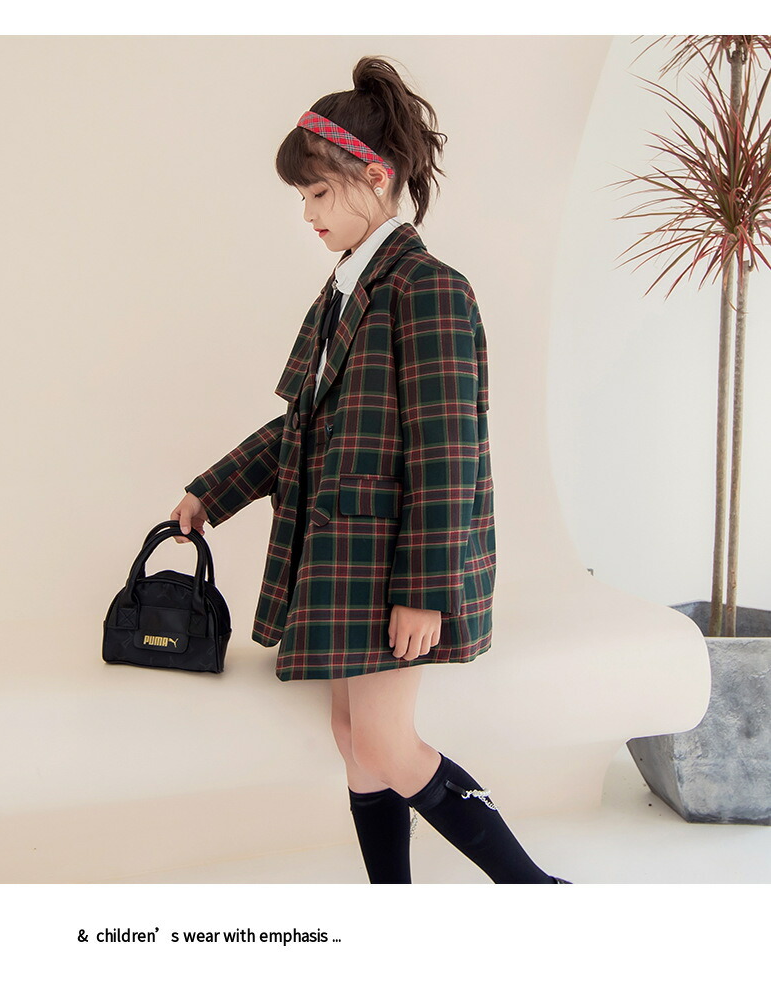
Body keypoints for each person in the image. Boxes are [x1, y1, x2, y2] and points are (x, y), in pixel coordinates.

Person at [170, 55, 571, 885]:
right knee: (355, 740)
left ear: (375, 177)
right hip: (343, 561)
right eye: (303, 197)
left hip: (390, 566)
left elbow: (449, 453)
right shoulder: (345, 291)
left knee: (387, 743)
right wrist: (213, 491)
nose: (308, 214)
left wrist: (424, 590)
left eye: (319, 193)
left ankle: (536, 891)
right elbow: (303, 427)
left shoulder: (427, 289)